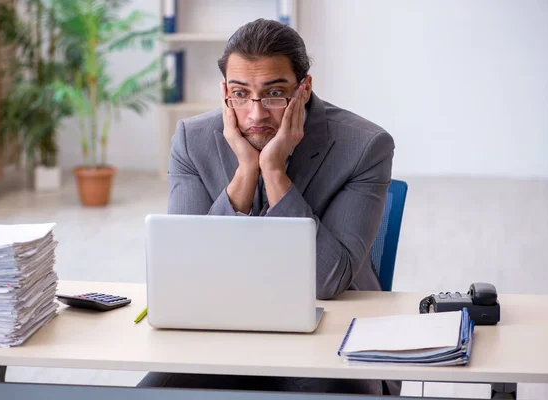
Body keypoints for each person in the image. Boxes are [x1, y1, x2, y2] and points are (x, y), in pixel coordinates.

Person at [138, 19, 399, 395]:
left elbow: (326, 282)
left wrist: (274, 171)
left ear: (304, 89)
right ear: (225, 91)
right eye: (241, 94)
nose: (256, 114)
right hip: (225, 331)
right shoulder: (192, 141)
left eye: (275, 93)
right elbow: (191, 272)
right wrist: (246, 170)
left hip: (332, 337)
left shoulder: (365, 147)